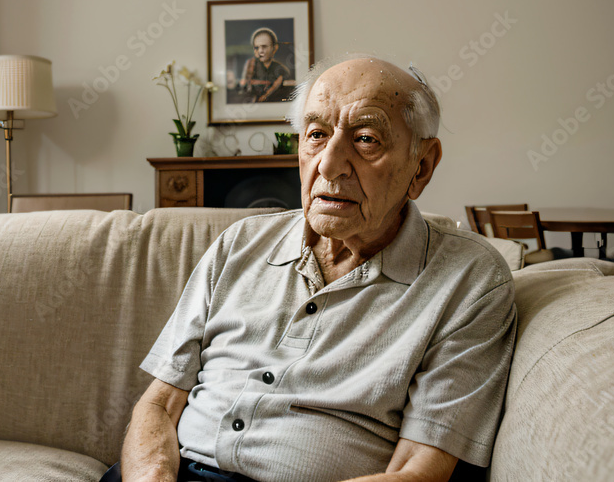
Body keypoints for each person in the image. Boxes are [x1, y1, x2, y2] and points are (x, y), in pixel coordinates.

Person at [115, 55, 517, 482]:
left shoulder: (471, 280)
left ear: (422, 166)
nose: (328, 164)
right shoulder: (240, 243)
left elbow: (417, 471)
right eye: (316, 135)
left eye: (365, 139)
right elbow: (160, 403)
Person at [238, 28, 293, 103]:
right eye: (256, 48)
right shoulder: (250, 65)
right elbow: (244, 87)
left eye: (264, 46)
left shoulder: (281, 70)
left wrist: (266, 95)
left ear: (274, 48)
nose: (260, 51)